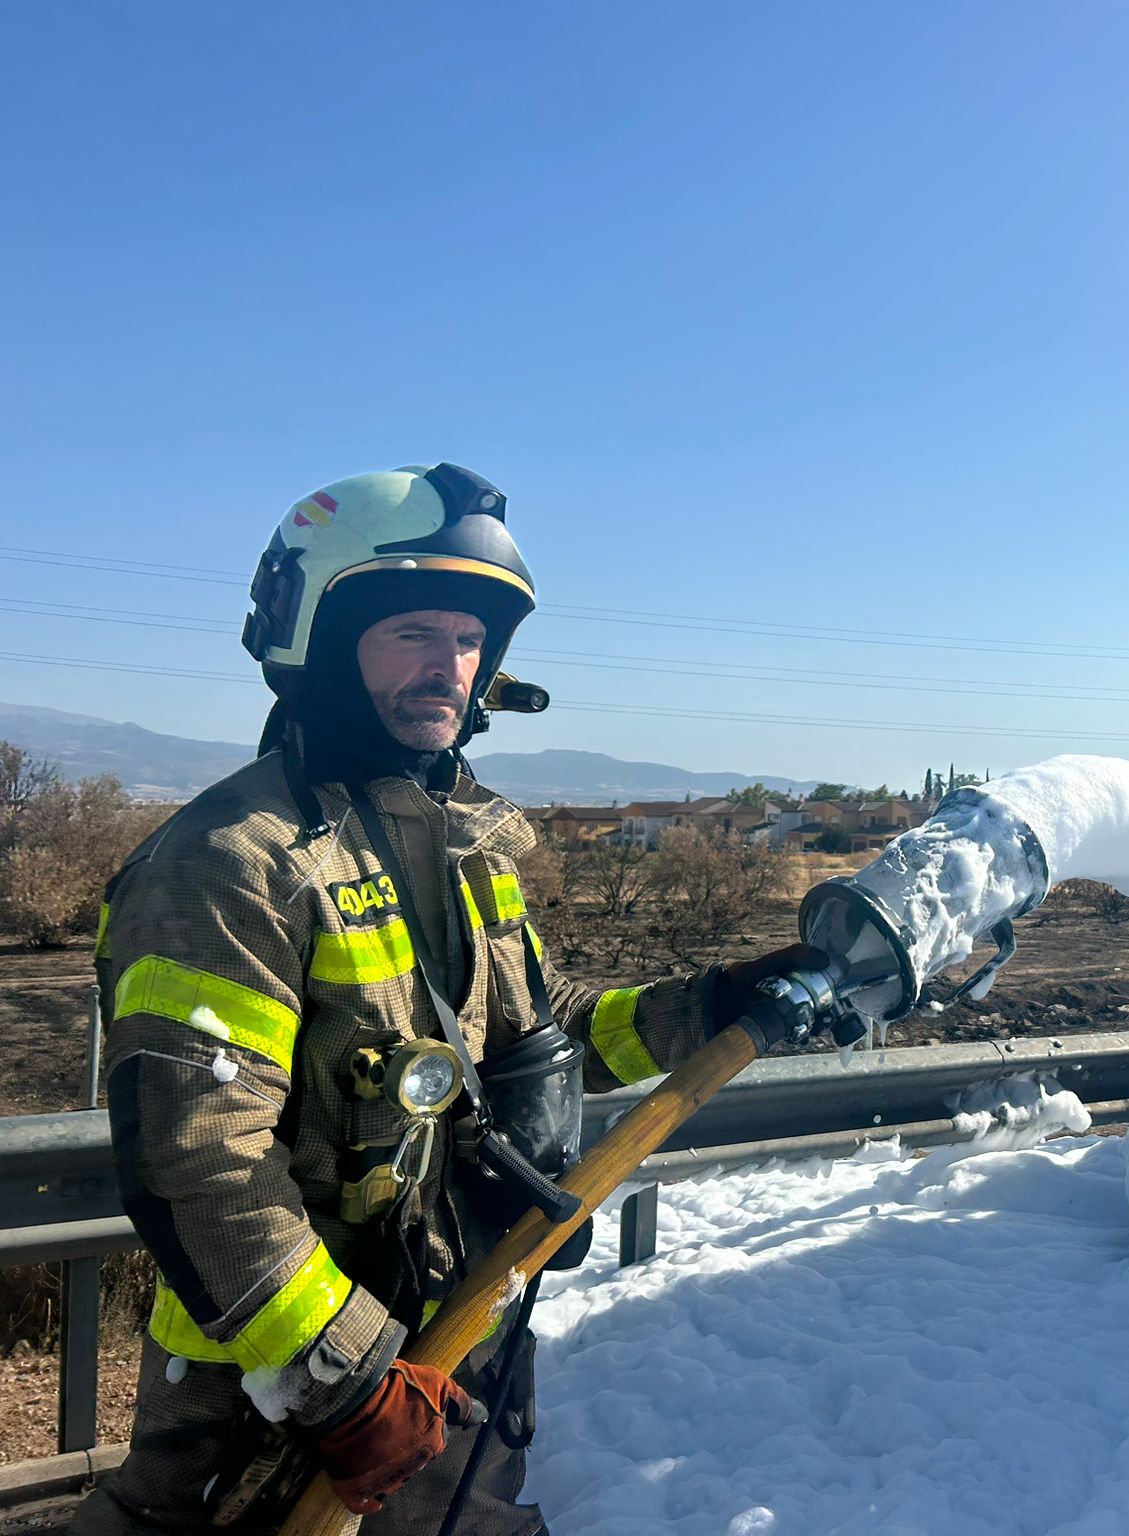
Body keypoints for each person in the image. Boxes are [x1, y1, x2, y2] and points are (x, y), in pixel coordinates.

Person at [75, 464, 810, 1534]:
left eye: (468, 639)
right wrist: (347, 1377)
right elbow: (196, 1159)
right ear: (319, 639)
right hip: (272, 1394)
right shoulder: (232, 861)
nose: (449, 668)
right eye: (413, 631)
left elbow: (544, 1036)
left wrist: (712, 1005)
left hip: (459, 1329)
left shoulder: (467, 841)